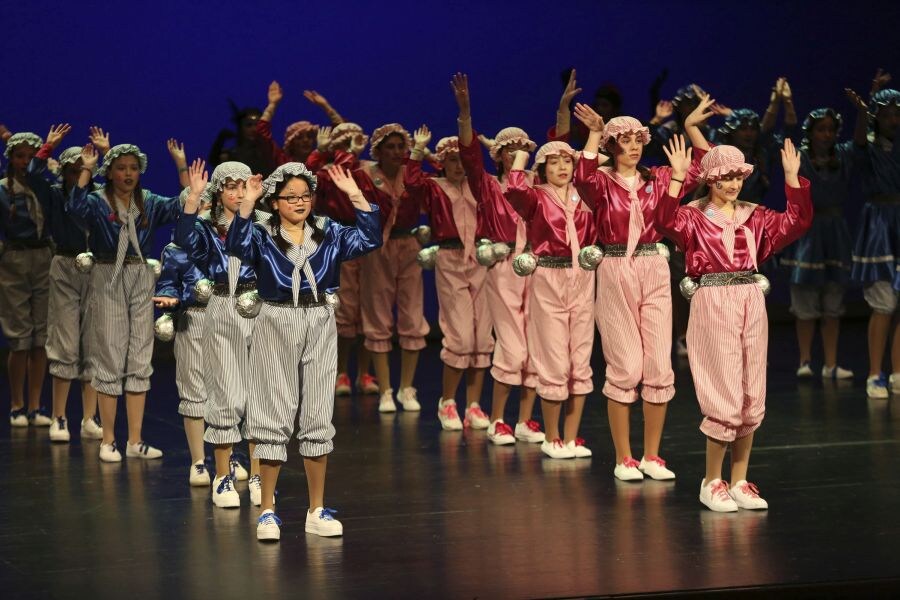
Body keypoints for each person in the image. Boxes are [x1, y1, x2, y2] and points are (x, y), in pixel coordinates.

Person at [224, 161, 380, 541]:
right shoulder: (261, 234)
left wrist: (355, 195)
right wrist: (248, 204)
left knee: (316, 413)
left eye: (305, 196)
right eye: (290, 197)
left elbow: (370, 238)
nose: (299, 202)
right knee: (273, 409)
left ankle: (316, 509)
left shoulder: (328, 233)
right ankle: (268, 510)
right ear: (275, 202)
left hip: (320, 321)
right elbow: (235, 245)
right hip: (276, 319)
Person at [655, 137, 811, 512]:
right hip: (712, 301)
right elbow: (661, 221)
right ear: (710, 180)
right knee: (722, 388)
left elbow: (797, 222)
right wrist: (676, 180)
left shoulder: (755, 215)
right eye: (724, 178)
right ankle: (712, 481)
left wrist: (792, 179)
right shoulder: (692, 215)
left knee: (749, 390)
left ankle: (740, 479)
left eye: (737, 177)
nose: (732, 184)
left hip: (750, 300)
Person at [572, 96, 709, 481]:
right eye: (625, 140)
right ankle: (623, 457)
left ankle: (652, 455)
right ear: (613, 146)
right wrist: (595, 133)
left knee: (658, 367)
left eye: (637, 139)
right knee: (627, 366)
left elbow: (704, 169)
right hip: (616, 267)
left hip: (653, 265)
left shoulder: (660, 178)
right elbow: (580, 177)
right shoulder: (600, 182)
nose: (633, 146)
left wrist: (693, 128)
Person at [68, 142, 187, 462]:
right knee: (109, 353)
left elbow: (186, 205)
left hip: (139, 276)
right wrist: (86, 170)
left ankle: (135, 440)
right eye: (121, 168)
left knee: (139, 355)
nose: (128, 173)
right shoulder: (97, 200)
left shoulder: (147, 201)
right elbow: (74, 208)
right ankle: (108, 440)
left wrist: (181, 166)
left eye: (133, 168)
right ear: (110, 172)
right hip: (107, 275)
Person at [451, 73, 545, 443]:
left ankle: (524, 420)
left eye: (523, 148)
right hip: (504, 268)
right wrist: (465, 112)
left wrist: (562, 110)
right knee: (512, 345)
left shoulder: (538, 184)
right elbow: (470, 156)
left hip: (536, 268)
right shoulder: (488, 185)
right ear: (500, 155)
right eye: (510, 149)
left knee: (537, 344)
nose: (516, 154)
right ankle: (497, 419)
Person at [175, 161, 262, 505]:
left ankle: (257, 473)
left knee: (259, 395)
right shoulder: (207, 229)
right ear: (219, 192)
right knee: (224, 392)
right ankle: (223, 476)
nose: (239, 193)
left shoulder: (262, 223)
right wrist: (193, 199)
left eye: (244, 186)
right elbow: (183, 240)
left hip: (258, 308)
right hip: (223, 306)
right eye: (231, 187)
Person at [505, 141, 597, 459]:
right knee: (554, 356)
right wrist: (521, 155)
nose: (562, 167)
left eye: (567, 162)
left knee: (580, 356)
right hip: (548, 275)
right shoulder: (536, 196)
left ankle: (572, 437)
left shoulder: (583, 195)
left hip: (582, 276)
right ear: (543, 167)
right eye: (554, 162)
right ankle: (552, 436)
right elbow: (515, 188)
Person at [405, 126, 493, 430]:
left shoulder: (479, 185)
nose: (459, 166)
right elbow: (411, 182)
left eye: (462, 160)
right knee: (461, 336)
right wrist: (418, 151)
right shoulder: (435, 186)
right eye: (453, 160)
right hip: (450, 258)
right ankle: (448, 401)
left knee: (482, 335)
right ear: (442, 162)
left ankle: (474, 404)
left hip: (479, 260)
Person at [781, 100, 867, 379]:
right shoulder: (802, 158)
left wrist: (863, 114)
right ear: (811, 132)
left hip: (835, 230)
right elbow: (788, 141)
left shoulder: (842, 155)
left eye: (831, 129)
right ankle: (805, 360)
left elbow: (860, 144)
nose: (826, 135)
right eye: (821, 129)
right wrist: (788, 107)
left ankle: (831, 363)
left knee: (833, 298)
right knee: (805, 298)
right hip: (809, 230)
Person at [29, 127, 103, 441]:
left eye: (82, 170)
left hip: (96, 269)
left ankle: (89, 417)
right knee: (64, 340)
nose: (77, 176)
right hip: (65, 264)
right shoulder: (54, 193)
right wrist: (47, 147)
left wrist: (105, 150)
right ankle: (59, 417)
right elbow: (31, 174)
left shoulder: (99, 194)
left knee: (94, 344)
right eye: (72, 171)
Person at [846, 70, 900, 398]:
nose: (894, 120)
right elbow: (856, 143)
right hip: (881, 224)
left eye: (898, 114)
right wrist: (864, 111)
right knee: (883, 304)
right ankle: (875, 373)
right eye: (888, 114)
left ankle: (897, 371)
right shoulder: (867, 149)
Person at [1, 129, 54, 427]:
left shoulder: (43, 187)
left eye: (30, 157)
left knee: (40, 337)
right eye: (19, 156)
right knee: (19, 337)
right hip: (14, 259)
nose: (24, 162)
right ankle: (16, 403)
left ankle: (35, 404)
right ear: (10, 159)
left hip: (42, 257)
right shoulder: (2, 190)